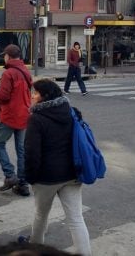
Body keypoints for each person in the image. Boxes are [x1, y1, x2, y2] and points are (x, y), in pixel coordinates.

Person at [20, 79, 92, 255]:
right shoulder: (71, 112)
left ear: (44, 96)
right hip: (72, 173)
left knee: (41, 215)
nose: (32, 96)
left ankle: (34, 250)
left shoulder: (36, 119)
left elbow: (31, 153)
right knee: (76, 218)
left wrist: (30, 177)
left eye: (35, 93)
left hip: (47, 178)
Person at [0, 44, 32, 197]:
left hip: (10, 116)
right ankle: (23, 184)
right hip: (24, 114)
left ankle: (10, 175)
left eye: (4, 55)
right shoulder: (25, 71)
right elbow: (19, 95)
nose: (4, 57)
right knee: (21, 150)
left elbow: (4, 96)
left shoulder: (9, 73)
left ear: (8, 56)